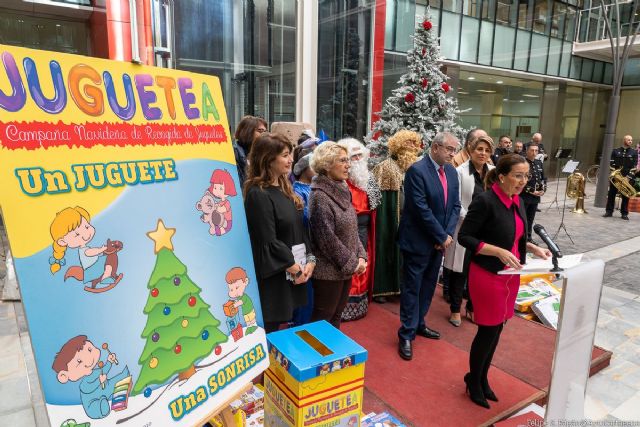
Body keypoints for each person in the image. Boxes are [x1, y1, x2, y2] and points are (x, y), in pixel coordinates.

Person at [458, 153, 551, 409]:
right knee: (487, 330)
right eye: (518, 176)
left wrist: (533, 249)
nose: (523, 181)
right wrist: (496, 250)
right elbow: (465, 237)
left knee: (498, 328)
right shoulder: (485, 201)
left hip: (511, 275)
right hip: (488, 275)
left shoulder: (518, 201)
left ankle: (482, 377)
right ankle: (473, 381)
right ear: (501, 176)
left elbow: (517, 236)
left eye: (526, 176)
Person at [397, 132, 461, 361]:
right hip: (418, 241)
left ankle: (419, 323)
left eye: (455, 150)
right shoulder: (417, 170)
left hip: (439, 241)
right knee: (412, 288)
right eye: (449, 149)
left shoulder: (452, 172)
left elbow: (455, 205)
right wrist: (440, 235)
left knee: (428, 287)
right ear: (435, 147)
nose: (453, 154)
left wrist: (446, 235)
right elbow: (419, 208)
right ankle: (406, 333)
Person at [243, 133, 314, 333]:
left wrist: (310, 260)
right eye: (285, 155)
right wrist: (295, 269)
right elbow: (268, 241)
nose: (291, 160)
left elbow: (298, 230)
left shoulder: (285, 189)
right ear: (268, 159)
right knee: (270, 330)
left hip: (292, 270)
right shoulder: (258, 194)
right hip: (276, 278)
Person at [309, 142, 367, 329]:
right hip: (328, 272)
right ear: (326, 164)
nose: (348, 165)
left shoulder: (342, 188)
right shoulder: (320, 196)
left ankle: (331, 355)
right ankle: (316, 357)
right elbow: (326, 239)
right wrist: (352, 263)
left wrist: (360, 255)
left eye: (347, 160)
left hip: (344, 268)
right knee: (323, 320)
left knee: (336, 317)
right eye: (342, 161)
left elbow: (352, 228)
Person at [444, 136, 495, 327]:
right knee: (461, 271)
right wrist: (473, 220)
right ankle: (456, 309)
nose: (483, 153)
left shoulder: (493, 172)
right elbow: (455, 202)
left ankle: (473, 307)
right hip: (465, 226)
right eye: (479, 149)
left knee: (480, 271)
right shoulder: (460, 172)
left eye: (487, 151)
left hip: (486, 230)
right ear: (471, 151)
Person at [371, 130, 422, 302]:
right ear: (398, 146)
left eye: (415, 144)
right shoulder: (386, 167)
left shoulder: (412, 167)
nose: (413, 148)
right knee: (386, 247)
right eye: (409, 143)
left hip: (408, 218)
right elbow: (383, 201)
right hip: (390, 218)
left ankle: (400, 285)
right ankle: (383, 288)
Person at [338, 138, 381, 321]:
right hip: (346, 228)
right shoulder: (340, 179)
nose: (356, 160)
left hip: (365, 227)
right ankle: (343, 306)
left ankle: (360, 305)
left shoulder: (369, 178)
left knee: (364, 261)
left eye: (359, 155)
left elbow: (376, 203)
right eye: (352, 156)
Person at [291, 152, 316, 326]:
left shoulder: (314, 188)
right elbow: (305, 218)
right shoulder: (297, 191)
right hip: (303, 247)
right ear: (304, 168)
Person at [603, 135, 638, 220]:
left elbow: (634, 167)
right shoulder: (615, 151)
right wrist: (615, 175)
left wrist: (628, 177)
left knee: (625, 195)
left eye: (631, 140)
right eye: (628, 140)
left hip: (627, 178)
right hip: (616, 177)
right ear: (624, 140)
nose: (630, 141)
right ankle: (609, 211)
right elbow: (611, 165)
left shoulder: (634, 152)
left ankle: (624, 213)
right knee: (611, 194)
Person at [520, 143, 546, 238]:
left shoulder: (538, 163)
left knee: (531, 219)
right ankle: (521, 238)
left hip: (535, 197)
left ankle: (529, 238)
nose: (534, 153)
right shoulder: (522, 163)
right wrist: (531, 191)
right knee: (523, 219)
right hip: (524, 196)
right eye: (532, 150)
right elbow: (520, 181)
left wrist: (543, 189)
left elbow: (543, 178)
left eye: (536, 150)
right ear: (527, 151)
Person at [233, 116, 268, 185]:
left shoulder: (261, 152)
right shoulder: (235, 152)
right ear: (247, 131)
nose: (264, 135)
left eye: (265, 131)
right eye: (260, 131)